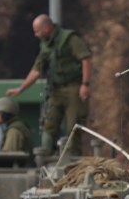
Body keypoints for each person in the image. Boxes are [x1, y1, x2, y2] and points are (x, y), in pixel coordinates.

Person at [6, 14, 92, 153]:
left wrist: (85, 84)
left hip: (73, 88)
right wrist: (21, 89)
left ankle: (75, 160)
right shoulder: (45, 45)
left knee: (73, 128)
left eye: (37, 31)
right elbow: (37, 70)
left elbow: (85, 59)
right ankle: (46, 157)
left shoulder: (69, 39)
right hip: (55, 90)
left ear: (47, 27)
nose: (36, 34)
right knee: (49, 125)